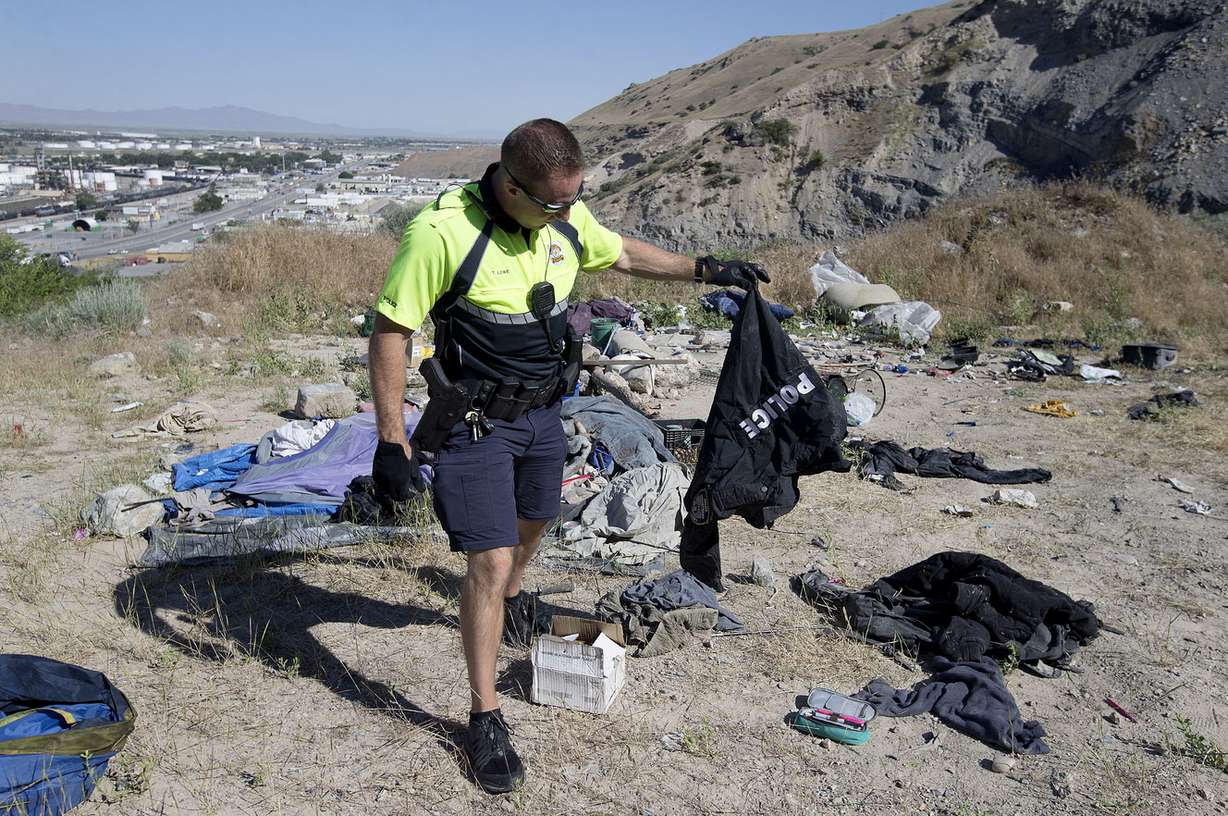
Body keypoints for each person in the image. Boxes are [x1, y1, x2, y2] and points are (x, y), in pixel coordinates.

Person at [367, 118, 767, 794]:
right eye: (553, 204)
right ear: (510, 185)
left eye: (573, 200)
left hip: (544, 415)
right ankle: (484, 715)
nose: (566, 214)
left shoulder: (564, 215)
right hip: (475, 425)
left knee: (537, 521)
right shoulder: (441, 234)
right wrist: (391, 439)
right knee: (491, 559)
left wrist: (706, 270)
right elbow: (390, 332)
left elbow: (625, 255)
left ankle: (513, 601)